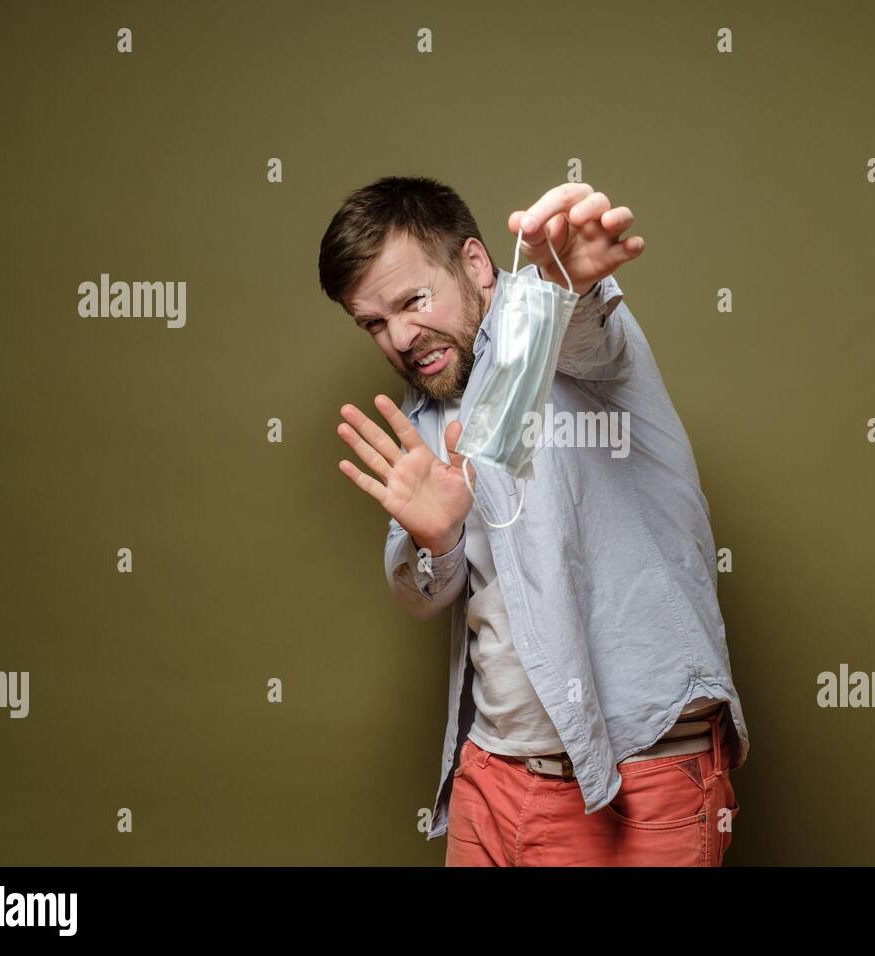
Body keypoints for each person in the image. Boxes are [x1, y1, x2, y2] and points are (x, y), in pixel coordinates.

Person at [318, 176, 749, 866]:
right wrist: (438, 539)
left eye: (413, 300)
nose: (399, 335)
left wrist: (564, 285)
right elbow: (420, 595)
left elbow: (584, 335)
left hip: (633, 776)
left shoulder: (548, 329)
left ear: (478, 264)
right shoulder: (427, 410)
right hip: (490, 775)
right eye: (373, 322)